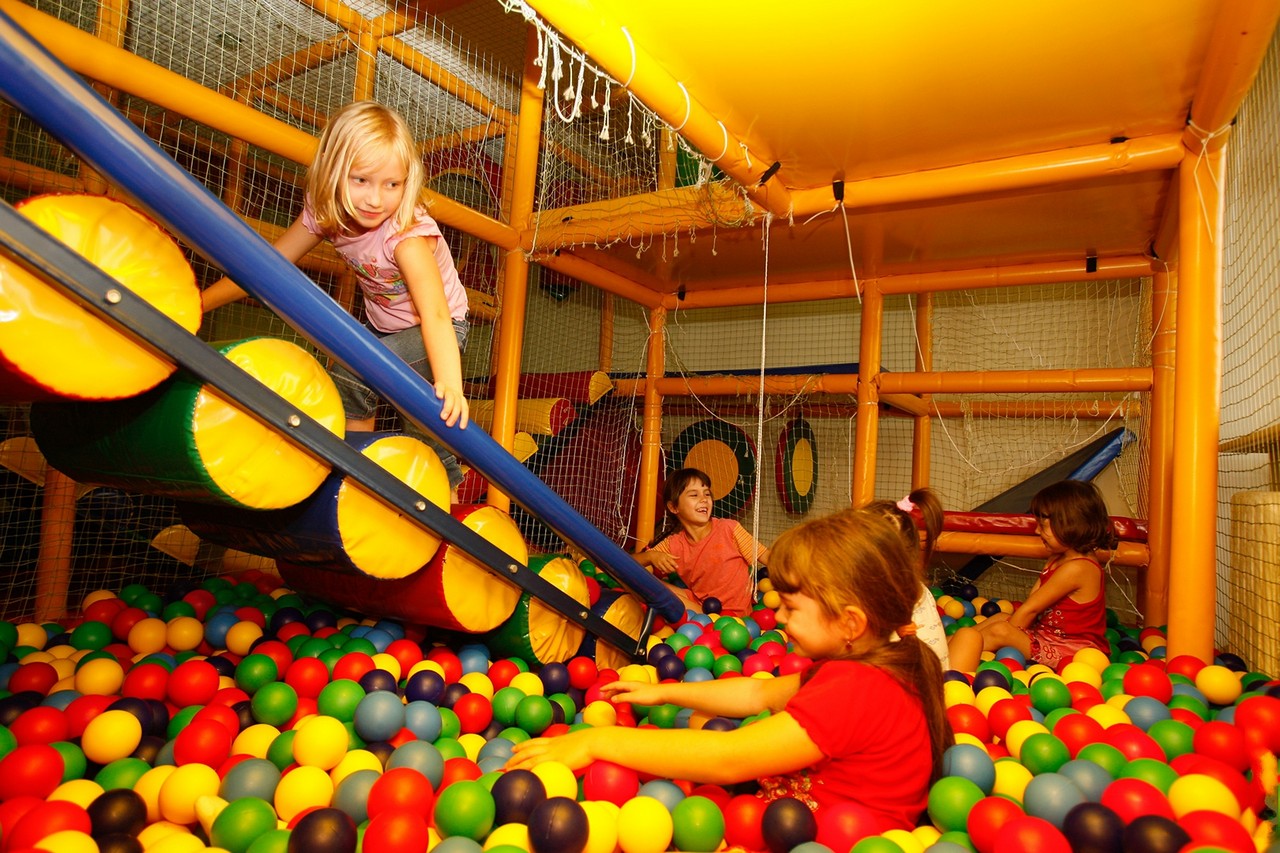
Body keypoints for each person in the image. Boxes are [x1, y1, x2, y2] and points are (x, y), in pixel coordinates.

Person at [508, 508, 952, 831]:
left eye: (792, 608)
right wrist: (665, 692)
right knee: (701, 722)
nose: (778, 617)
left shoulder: (855, 686)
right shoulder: (877, 666)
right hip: (800, 821)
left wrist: (596, 742)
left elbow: (728, 758)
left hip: (825, 836)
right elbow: (757, 694)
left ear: (850, 623)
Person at [201, 101, 470, 497]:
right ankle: (358, 476)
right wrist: (200, 303)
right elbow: (265, 266)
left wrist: (450, 383)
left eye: (392, 185)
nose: (376, 199)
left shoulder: (406, 236)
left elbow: (435, 314)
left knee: (381, 385)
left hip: (443, 327)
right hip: (384, 329)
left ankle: (445, 488)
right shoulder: (326, 214)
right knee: (351, 379)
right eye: (361, 180)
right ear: (334, 171)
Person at [947, 479, 1116, 672]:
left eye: (1043, 526)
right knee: (1001, 618)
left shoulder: (1079, 568)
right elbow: (1034, 601)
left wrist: (1008, 634)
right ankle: (945, 643)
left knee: (1001, 629)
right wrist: (1011, 630)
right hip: (1045, 637)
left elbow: (1030, 610)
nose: (1037, 531)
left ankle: (948, 653)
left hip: (1072, 652)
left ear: (1069, 525)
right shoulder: (1058, 558)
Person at [633, 468, 769, 616]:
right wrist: (650, 556)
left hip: (733, 617)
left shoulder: (729, 529)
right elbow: (629, 564)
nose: (704, 499)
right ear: (673, 507)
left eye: (707, 494)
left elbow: (768, 557)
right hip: (700, 607)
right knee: (641, 584)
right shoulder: (674, 544)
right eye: (694, 495)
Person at [864, 488, 950, 671]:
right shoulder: (919, 590)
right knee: (969, 636)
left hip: (919, 680)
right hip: (943, 677)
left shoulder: (874, 602)